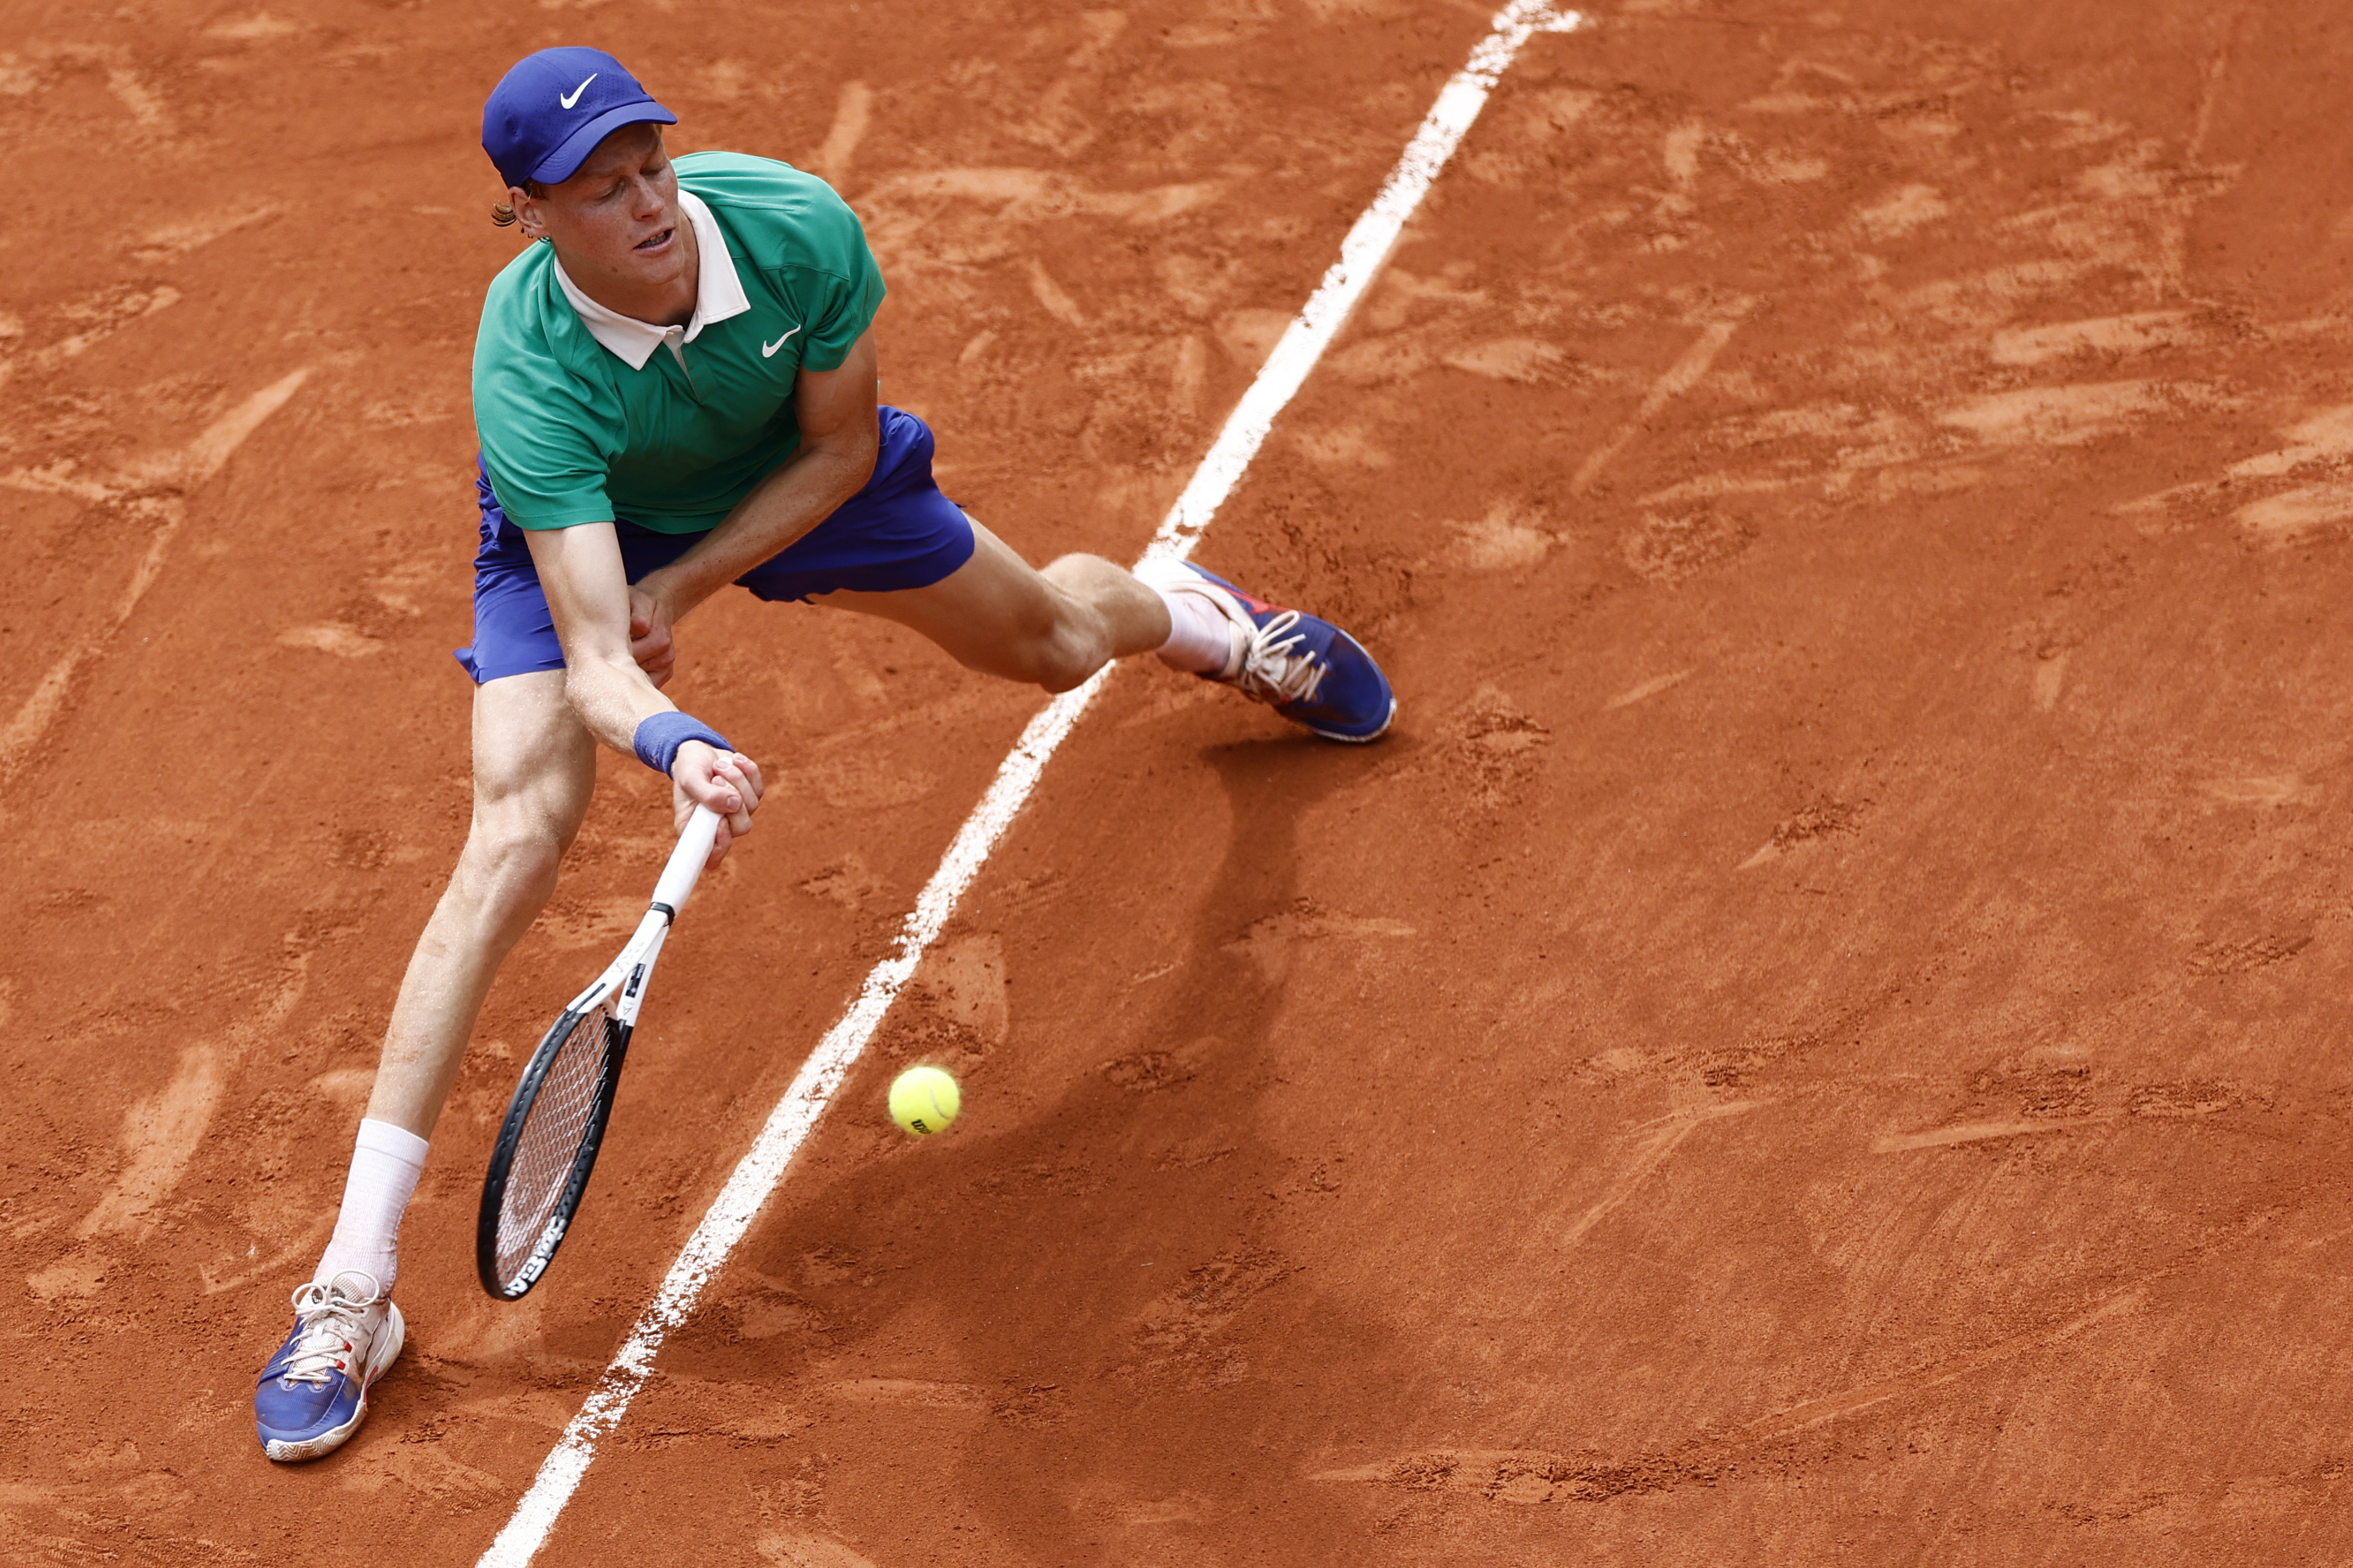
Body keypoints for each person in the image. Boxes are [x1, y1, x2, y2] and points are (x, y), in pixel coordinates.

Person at [252, 45, 1394, 1462]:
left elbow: (840, 453)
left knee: (1047, 640)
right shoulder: (527, 368)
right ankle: (351, 1289)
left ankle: (1197, 618)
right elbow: (599, 657)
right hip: (591, 522)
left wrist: (696, 582)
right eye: (601, 192)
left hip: (794, 477)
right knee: (511, 831)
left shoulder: (796, 228)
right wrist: (671, 738)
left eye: (650, 166)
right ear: (530, 216)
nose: (647, 204)